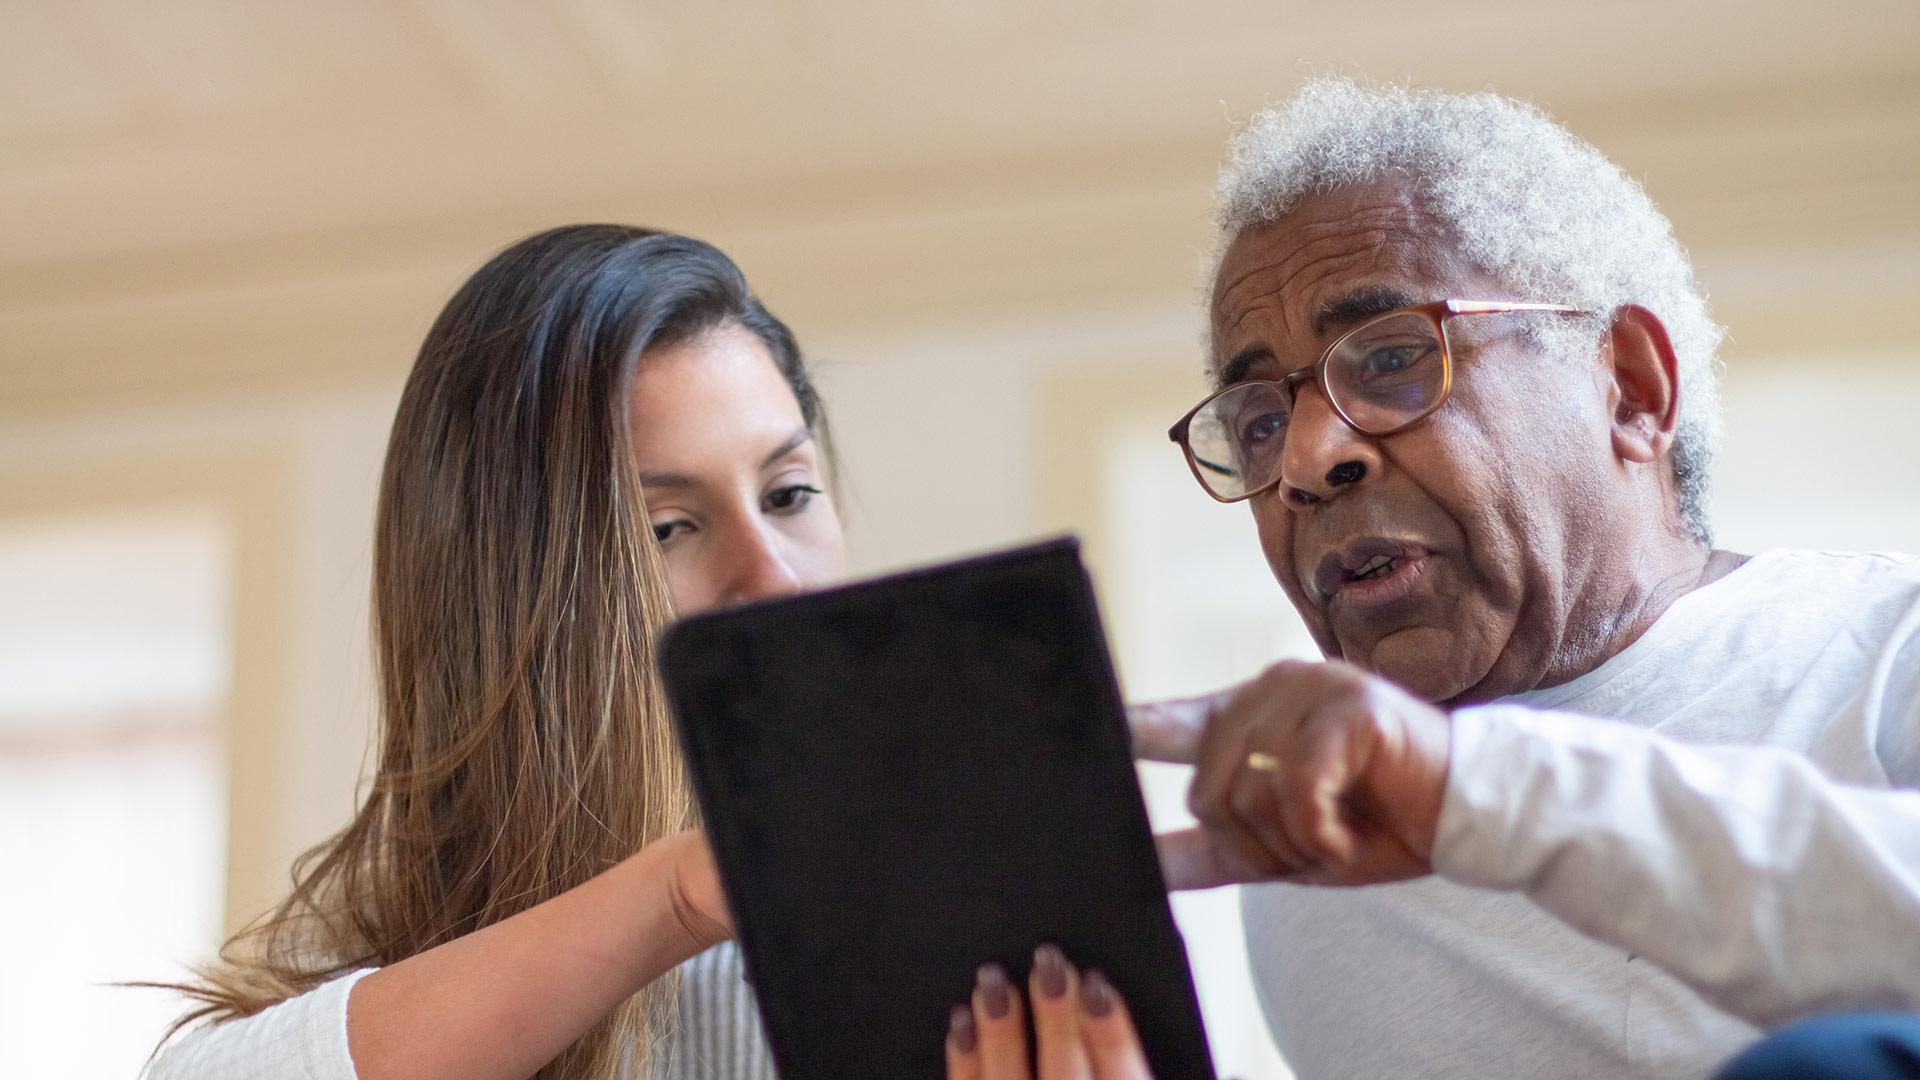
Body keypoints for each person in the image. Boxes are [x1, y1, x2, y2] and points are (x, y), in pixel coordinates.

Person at [1113, 79, 1920, 1078]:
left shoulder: (1890, 644)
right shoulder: (1303, 871)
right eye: (1261, 421)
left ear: (1630, 386)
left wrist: (1477, 794)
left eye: (1394, 356)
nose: (1309, 459)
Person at [148, 225, 844, 1080]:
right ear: (516, 596)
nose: (774, 578)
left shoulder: (941, 913)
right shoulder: (367, 972)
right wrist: (674, 896)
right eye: (667, 528)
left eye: (790, 493)